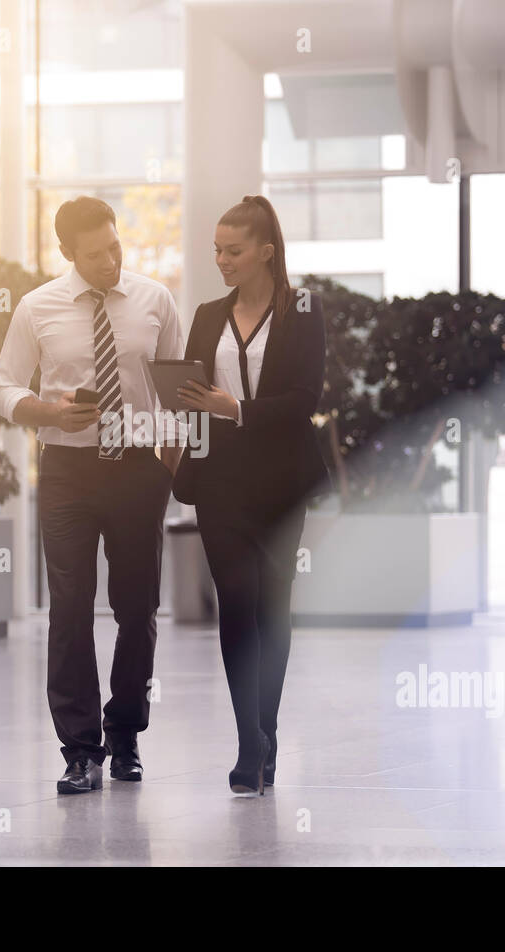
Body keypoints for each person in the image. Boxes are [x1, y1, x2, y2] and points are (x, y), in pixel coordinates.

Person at [0, 196, 184, 795]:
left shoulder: (155, 300)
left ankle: (124, 737)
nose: (109, 261)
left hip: (136, 471)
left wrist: (168, 460)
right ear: (68, 252)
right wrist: (45, 411)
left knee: (137, 609)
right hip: (68, 472)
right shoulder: (37, 307)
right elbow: (2, 387)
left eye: (115, 247)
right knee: (69, 610)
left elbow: (179, 388)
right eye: (95, 253)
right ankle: (79, 750)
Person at [172, 194, 329, 795]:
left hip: (282, 482)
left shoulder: (303, 309)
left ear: (266, 251)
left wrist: (232, 407)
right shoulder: (210, 313)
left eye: (232, 250)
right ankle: (249, 742)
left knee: (272, 606)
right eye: (216, 249)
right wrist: (183, 406)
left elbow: (303, 401)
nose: (221, 259)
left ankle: (268, 728)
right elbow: (193, 391)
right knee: (236, 600)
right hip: (219, 481)